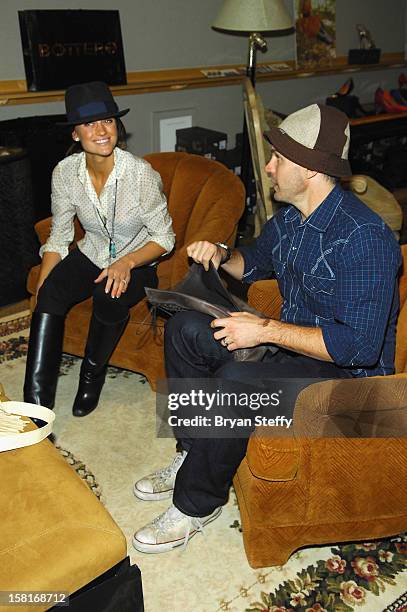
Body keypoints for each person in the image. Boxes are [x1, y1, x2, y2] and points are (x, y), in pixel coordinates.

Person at [131, 103, 401, 554]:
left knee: (239, 381)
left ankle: (197, 505)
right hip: (296, 354)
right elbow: (253, 262)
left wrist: (266, 331)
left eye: (279, 159)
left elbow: (358, 348)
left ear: (312, 170)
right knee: (187, 330)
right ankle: (192, 452)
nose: (269, 167)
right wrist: (220, 253)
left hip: (358, 391)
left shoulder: (365, 239)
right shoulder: (294, 218)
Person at [24, 81, 175, 417]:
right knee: (49, 296)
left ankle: (91, 377)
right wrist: (44, 290)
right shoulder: (65, 173)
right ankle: (36, 406)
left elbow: (165, 238)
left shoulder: (140, 175)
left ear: (116, 125)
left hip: (137, 261)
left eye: (107, 120)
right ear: (75, 134)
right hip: (90, 253)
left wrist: (127, 262)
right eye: (90, 124)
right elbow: (60, 235)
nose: (102, 130)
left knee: (110, 296)